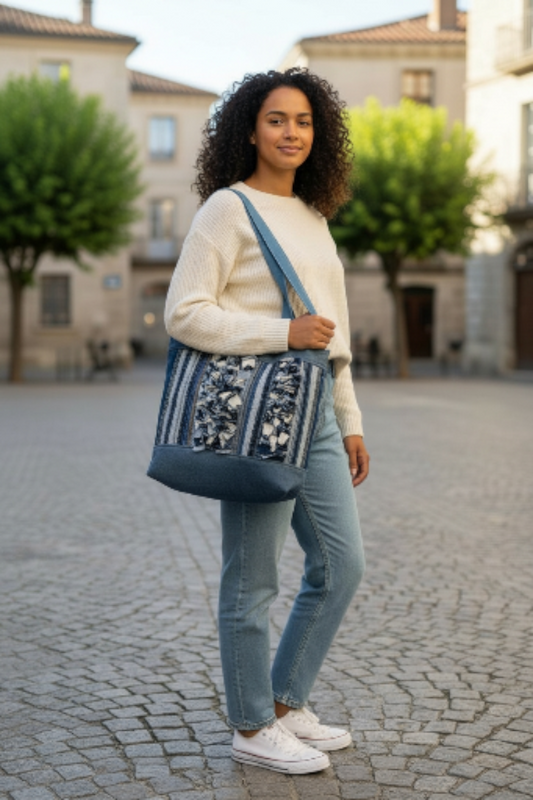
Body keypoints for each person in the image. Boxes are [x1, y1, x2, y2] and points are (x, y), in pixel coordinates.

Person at [164, 68, 369, 775]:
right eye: (277, 119)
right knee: (251, 582)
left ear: (321, 134)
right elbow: (184, 312)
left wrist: (350, 422)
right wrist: (281, 333)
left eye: (305, 121)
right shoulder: (227, 208)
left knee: (341, 564)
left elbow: (333, 337)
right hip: (252, 417)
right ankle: (251, 726)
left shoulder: (312, 216)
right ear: (249, 129)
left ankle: (285, 701)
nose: (292, 133)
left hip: (316, 414)